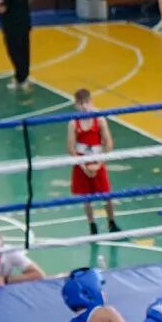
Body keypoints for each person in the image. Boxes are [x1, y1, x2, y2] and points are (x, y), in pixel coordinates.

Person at [66, 88, 122, 235]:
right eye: (81, 103)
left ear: (91, 102)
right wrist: (83, 166)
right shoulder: (73, 123)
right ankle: (92, 226)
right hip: (81, 161)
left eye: (87, 102)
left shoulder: (100, 119)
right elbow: (71, 148)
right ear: (76, 104)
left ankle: (112, 223)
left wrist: (99, 164)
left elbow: (109, 143)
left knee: (107, 195)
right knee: (87, 198)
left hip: (98, 160)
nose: (85, 106)